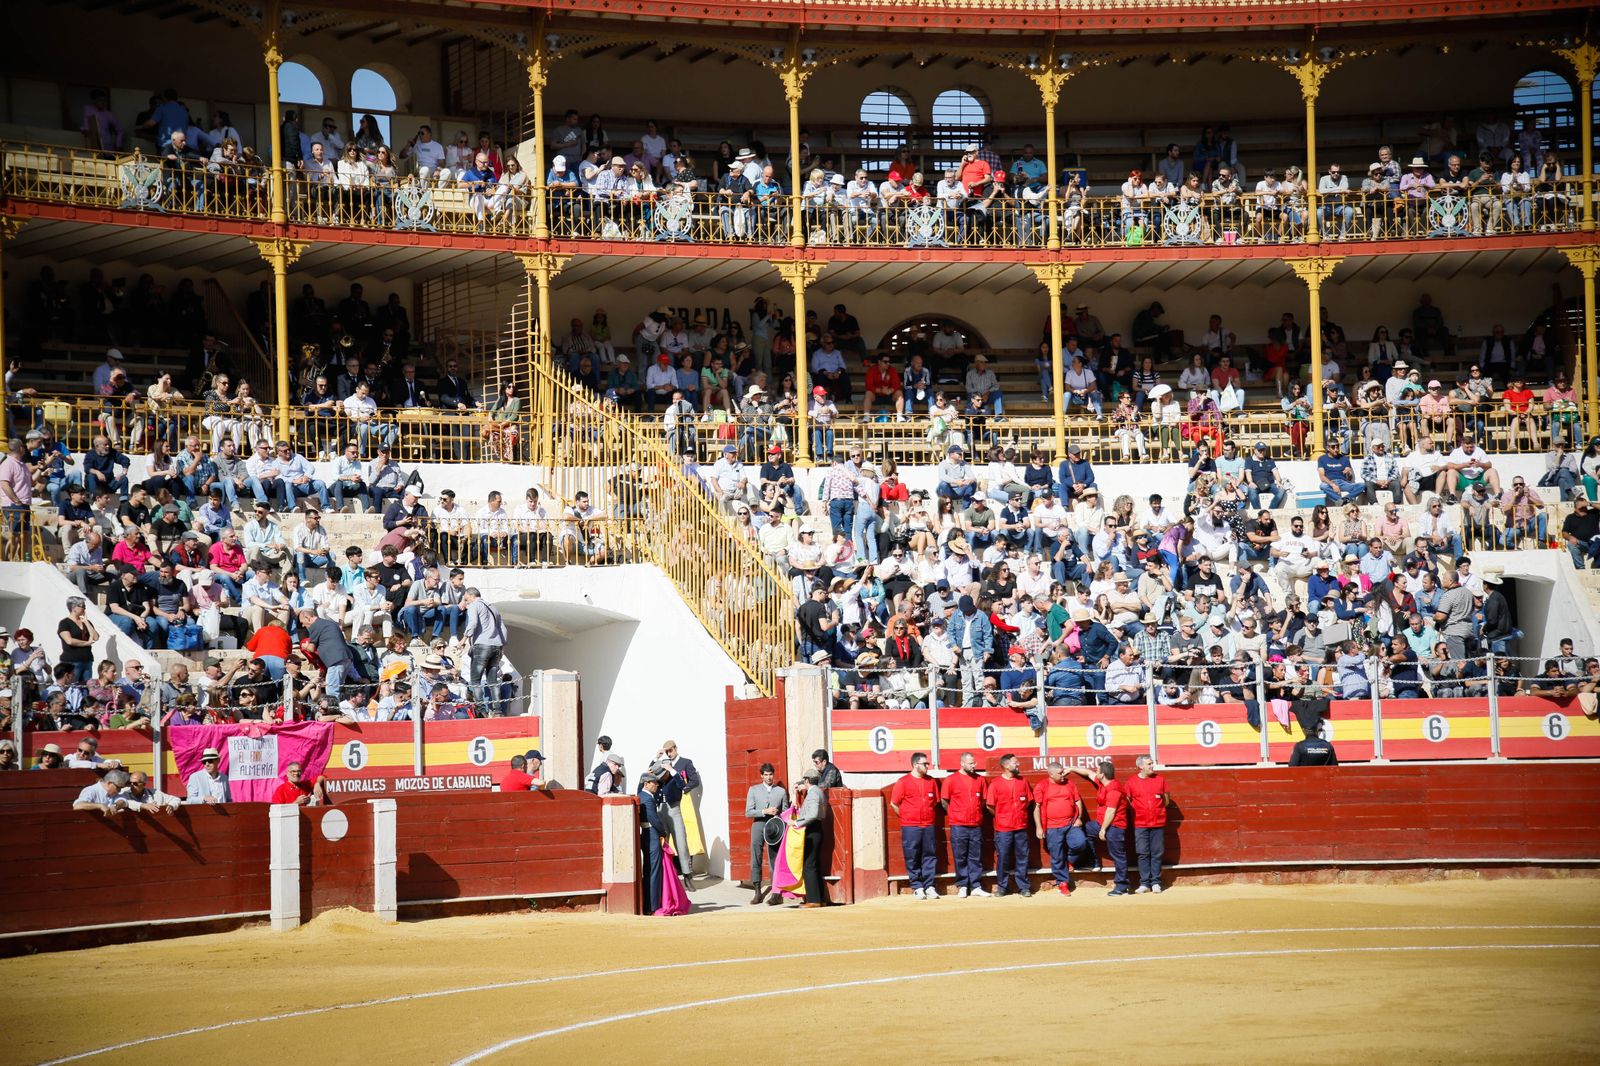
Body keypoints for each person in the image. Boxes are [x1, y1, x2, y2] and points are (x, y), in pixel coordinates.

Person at [1069, 759, 1130, 895]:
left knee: (1118, 856)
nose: (1095, 772)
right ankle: (1093, 862)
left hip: (1114, 826)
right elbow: (1088, 773)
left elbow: (1111, 811)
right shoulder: (1103, 783)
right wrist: (1071, 768)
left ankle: (1122, 887)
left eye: (1098, 771)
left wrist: (1103, 829)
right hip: (1101, 823)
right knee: (1084, 831)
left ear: (1102, 774)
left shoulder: (1114, 788)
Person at [1034, 762, 1095, 896]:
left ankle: (1069, 861)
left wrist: (1079, 817)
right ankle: (1062, 883)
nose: (1063, 775)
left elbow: (1077, 801)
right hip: (1052, 826)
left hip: (1070, 823)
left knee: (1080, 843)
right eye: (1060, 773)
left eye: (1063, 772)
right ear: (1051, 774)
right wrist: (1039, 827)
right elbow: (1036, 807)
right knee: (1056, 856)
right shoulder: (1042, 786)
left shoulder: (1069, 784)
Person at [890, 752, 940, 899]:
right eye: (924, 764)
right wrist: (906, 817)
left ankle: (929, 885)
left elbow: (935, 802)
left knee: (930, 855)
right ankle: (917, 886)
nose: (927, 766)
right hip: (911, 826)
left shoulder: (931, 782)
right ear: (915, 765)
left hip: (928, 824)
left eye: (927, 764)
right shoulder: (903, 782)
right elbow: (894, 803)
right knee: (912, 855)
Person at [940, 751, 988, 898]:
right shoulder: (951, 780)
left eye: (974, 763)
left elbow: (984, 801)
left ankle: (975, 886)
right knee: (960, 856)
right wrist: (954, 814)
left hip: (975, 824)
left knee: (976, 856)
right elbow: (944, 801)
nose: (974, 765)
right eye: (971, 763)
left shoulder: (980, 779)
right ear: (962, 763)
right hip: (958, 825)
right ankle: (962, 885)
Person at [985, 753, 1033, 896]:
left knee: (1022, 856)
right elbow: (990, 806)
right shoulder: (995, 784)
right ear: (1006, 765)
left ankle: (1023, 887)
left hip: (1021, 826)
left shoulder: (1023, 782)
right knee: (1003, 857)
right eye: (1015, 763)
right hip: (1003, 828)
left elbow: (1028, 801)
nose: (1017, 765)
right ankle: (1002, 887)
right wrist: (1002, 816)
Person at [658, 739, 702, 879]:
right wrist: (657, 757)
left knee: (686, 834)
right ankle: (675, 867)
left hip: (684, 801)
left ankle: (687, 869)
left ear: (676, 748)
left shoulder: (685, 762)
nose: (669, 754)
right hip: (669, 804)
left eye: (670, 750)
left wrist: (685, 789)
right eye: (667, 752)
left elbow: (695, 780)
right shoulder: (664, 763)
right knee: (670, 835)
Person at [1124, 755, 1170, 893]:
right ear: (1140, 766)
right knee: (1142, 853)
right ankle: (1144, 883)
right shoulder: (1132, 781)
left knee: (1157, 853)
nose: (1152, 766)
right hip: (1140, 823)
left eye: (1152, 763)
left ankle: (1155, 882)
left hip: (1158, 822)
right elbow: (1127, 800)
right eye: (1149, 764)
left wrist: (1158, 810)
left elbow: (1166, 799)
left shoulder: (1160, 780)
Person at [744, 761, 787, 903]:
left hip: (775, 826)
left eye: (771, 774)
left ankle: (776, 892)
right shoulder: (754, 790)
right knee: (756, 856)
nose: (769, 777)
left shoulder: (780, 791)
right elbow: (748, 812)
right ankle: (757, 891)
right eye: (766, 775)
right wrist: (764, 811)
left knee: (775, 858)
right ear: (761, 776)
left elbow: (786, 812)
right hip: (759, 823)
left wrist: (778, 813)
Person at [460, 587, 508, 713]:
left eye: (466, 599)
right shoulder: (493, 608)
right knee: (493, 680)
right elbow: (503, 629)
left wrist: (463, 639)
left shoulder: (475, 605)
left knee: (475, 680)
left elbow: (473, 623)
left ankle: (482, 711)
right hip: (496, 646)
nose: (466, 602)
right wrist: (501, 646)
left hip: (482, 645)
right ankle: (498, 711)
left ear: (471, 596)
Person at [794, 767, 829, 908]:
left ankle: (814, 900)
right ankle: (820, 898)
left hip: (812, 829)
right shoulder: (818, 792)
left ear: (807, 780)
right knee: (814, 865)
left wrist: (797, 822)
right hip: (816, 829)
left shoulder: (813, 793)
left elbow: (813, 814)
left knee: (809, 865)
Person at [638, 771, 668, 914]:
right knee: (654, 871)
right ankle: (652, 906)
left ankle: (649, 904)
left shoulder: (643, 795)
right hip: (652, 835)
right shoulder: (647, 799)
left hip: (646, 834)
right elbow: (654, 820)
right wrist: (664, 833)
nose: (656, 785)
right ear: (646, 784)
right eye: (654, 783)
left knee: (649, 870)